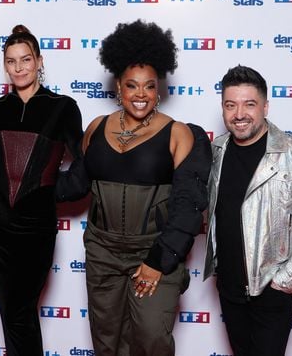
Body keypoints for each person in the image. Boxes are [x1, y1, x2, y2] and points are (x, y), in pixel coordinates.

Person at [82, 20, 212, 356]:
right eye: (132, 85)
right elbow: (75, 182)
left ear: (158, 90)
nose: (140, 94)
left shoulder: (180, 133)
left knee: (151, 338)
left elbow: (188, 206)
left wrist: (159, 260)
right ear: (119, 88)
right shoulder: (96, 128)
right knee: (107, 342)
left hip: (152, 251)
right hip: (103, 253)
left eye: (149, 86)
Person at [203, 65, 292, 356]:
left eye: (249, 104)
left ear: (265, 106)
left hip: (271, 289)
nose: (239, 114)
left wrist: (285, 280)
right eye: (230, 105)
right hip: (229, 287)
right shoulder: (215, 151)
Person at [0, 24, 86, 355]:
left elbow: (84, 165)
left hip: (36, 228)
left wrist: (50, 191)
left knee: (22, 310)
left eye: (25, 59)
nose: (18, 68)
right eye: (11, 61)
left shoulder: (63, 107)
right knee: (11, 312)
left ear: (39, 61)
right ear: (4, 66)